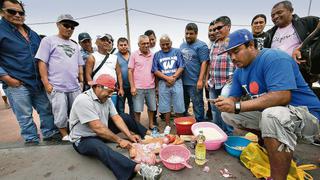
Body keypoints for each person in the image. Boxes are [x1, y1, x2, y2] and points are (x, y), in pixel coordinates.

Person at [214, 29, 320, 180]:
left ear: (251, 45)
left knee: (270, 115)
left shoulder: (273, 57)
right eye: (229, 55)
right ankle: (270, 147)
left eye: (236, 51)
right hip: (279, 115)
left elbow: (282, 96)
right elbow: (234, 98)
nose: (233, 58)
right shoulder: (239, 71)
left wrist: (237, 106)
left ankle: (277, 177)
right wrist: (227, 102)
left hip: (308, 116)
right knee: (228, 114)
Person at [69, 74, 158, 180]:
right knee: (100, 147)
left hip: (100, 131)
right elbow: (97, 128)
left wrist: (129, 136)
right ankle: (140, 169)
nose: (111, 95)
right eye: (109, 91)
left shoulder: (106, 98)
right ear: (98, 87)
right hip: (84, 138)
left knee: (124, 117)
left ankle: (149, 134)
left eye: (112, 92)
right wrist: (119, 140)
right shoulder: (83, 100)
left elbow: (116, 118)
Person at [0, 0, 58, 144]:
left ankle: (50, 134)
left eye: (21, 12)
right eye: (12, 11)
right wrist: (6, 78)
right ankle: (32, 140)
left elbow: (43, 56)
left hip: (37, 82)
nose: (17, 15)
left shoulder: (31, 33)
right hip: (16, 83)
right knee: (25, 116)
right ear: (2, 12)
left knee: (46, 110)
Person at [36, 14, 84, 141]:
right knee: (60, 113)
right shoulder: (48, 41)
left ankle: (75, 132)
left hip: (74, 86)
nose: (69, 29)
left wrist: (81, 81)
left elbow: (79, 64)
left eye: (72, 27)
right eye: (66, 25)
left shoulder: (75, 45)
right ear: (58, 25)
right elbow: (42, 62)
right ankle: (64, 135)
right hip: (57, 86)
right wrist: (46, 83)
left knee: (77, 112)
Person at [264, 0, 319, 86]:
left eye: (279, 12)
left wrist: (302, 46)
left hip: (300, 75)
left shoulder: (306, 22)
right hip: (276, 76)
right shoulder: (269, 33)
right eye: (272, 15)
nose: (275, 17)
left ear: (290, 10)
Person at [206, 16, 235, 135]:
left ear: (228, 27)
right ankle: (218, 133)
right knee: (214, 110)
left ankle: (228, 135)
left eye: (219, 28)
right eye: (215, 28)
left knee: (225, 108)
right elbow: (211, 62)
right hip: (214, 82)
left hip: (228, 82)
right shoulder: (214, 43)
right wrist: (208, 79)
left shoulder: (233, 42)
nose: (216, 31)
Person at [151, 35, 185, 126]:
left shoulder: (177, 52)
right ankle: (167, 125)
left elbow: (181, 66)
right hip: (163, 82)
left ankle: (179, 124)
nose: (165, 46)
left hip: (176, 81)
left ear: (171, 43)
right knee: (165, 105)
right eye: (163, 45)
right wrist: (167, 78)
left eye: (167, 44)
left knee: (179, 104)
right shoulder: (157, 54)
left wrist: (173, 78)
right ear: (160, 45)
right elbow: (155, 70)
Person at [180, 23, 209, 122]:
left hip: (194, 82)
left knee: (198, 104)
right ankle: (184, 124)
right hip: (182, 81)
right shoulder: (182, 45)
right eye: (186, 33)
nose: (188, 36)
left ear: (196, 34)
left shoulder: (202, 46)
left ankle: (200, 124)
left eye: (191, 33)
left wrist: (201, 80)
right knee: (183, 104)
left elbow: (204, 63)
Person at [85, 34, 124, 107]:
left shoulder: (114, 57)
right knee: (99, 113)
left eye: (107, 40)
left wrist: (121, 88)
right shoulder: (92, 57)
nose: (106, 42)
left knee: (112, 112)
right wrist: (93, 88)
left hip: (112, 91)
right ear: (97, 43)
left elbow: (119, 74)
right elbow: (87, 74)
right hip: (98, 92)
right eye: (103, 40)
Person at [128, 35, 157, 131]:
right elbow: (130, 71)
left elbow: (155, 71)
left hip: (151, 86)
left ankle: (151, 124)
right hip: (138, 87)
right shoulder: (134, 55)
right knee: (137, 109)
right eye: (143, 43)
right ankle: (138, 126)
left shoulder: (153, 55)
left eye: (147, 43)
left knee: (152, 107)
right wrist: (132, 87)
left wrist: (156, 86)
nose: (146, 45)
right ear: (139, 44)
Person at [116, 37, 134, 117]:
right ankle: (122, 125)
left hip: (132, 86)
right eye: (121, 45)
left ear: (128, 45)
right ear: (117, 46)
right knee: (120, 108)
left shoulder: (133, 55)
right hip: (120, 87)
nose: (123, 46)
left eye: (125, 45)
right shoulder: (114, 57)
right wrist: (120, 88)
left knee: (133, 106)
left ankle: (133, 124)